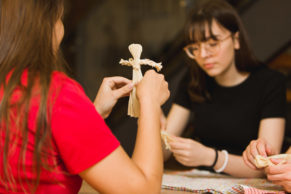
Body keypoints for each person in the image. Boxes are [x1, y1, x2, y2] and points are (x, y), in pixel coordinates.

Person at [0, 0, 170, 193]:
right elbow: (142, 190)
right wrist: (150, 101)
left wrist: (92, 114)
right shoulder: (55, 93)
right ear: (47, 27)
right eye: (59, 19)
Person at [163, 0, 286, 178]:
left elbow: (265, 166)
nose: (203, 55)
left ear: (236, 40)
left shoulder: (270, 83)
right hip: (206, 182)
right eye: (194, 48)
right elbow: (164, 150)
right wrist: (149, 114)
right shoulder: (193, 80)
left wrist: (211, 158)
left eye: (212, 44)